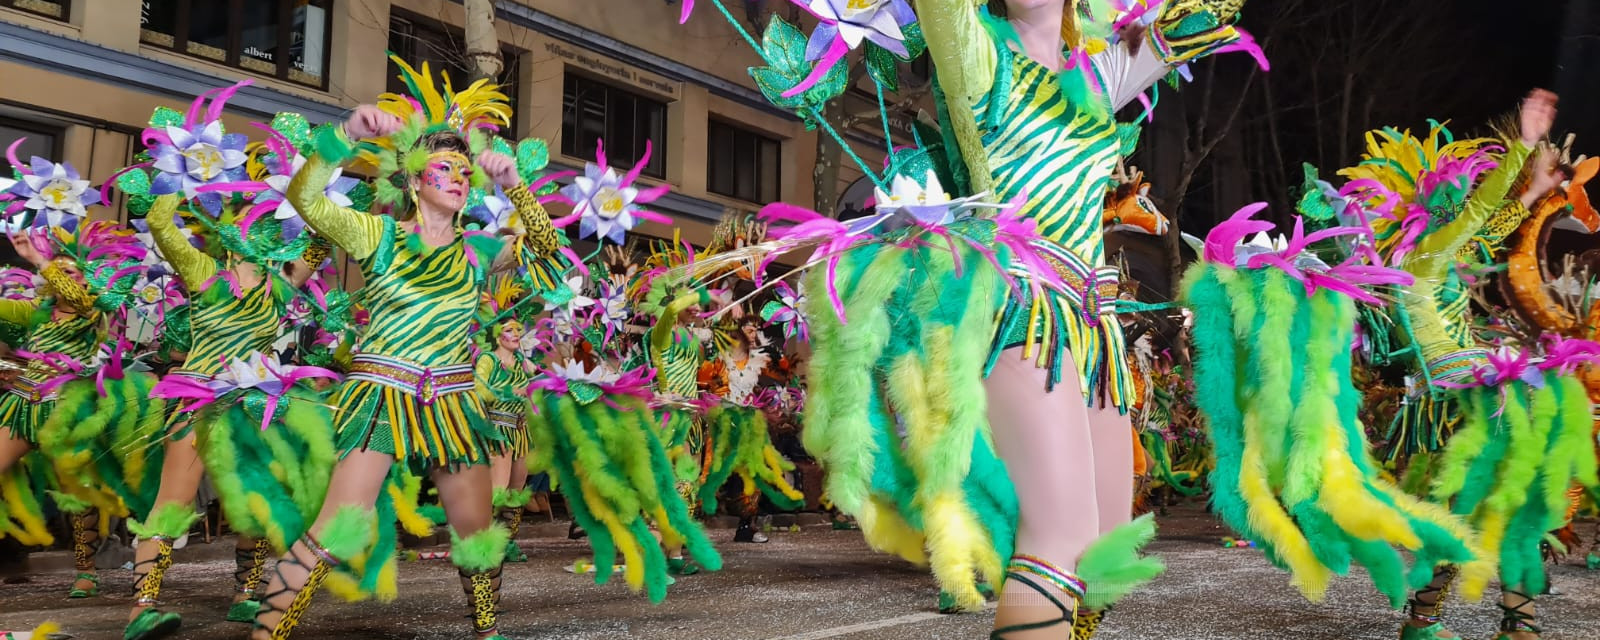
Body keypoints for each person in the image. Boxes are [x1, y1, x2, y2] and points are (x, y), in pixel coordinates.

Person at [249, 57, 564, 640]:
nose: (459, 178)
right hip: (381, 394)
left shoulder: (480, 249)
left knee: (478, 534)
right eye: (444, 168)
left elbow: (548, 253)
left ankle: (487, 632)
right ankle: (267, 634)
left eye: (465, 171)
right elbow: (306, 198)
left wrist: (517, 187)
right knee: (336, 528)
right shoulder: (378, 234)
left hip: (453, 402)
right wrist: (345, 134)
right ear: (415, 179)